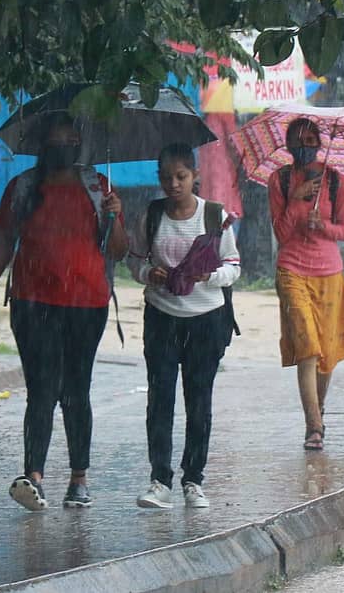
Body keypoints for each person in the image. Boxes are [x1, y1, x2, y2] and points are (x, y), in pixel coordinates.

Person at [0, 113, 128, 511]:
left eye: (70, 139)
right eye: (56, 140)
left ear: (79, 144)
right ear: (43, 145)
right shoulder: (23, 187)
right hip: (32, 302)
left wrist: (114, 214)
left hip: (87, 303)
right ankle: (33, 477)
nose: (63, 146)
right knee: (42, 390)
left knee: (76, 391)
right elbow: (2, 247)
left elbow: (118, 249)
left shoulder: (98, 188)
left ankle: (79, 479)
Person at [128, 143, 240, 509]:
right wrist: (150, 273)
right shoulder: (152, 215)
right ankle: (160, 480)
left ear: (195, 177)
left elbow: (234, 266)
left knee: (199, 400)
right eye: (166, 177)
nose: (173, 184)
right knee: (160, 400)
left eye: (181, 176)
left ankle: (194, 479)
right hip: (161, 317)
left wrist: (210, 276)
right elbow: (134, 262)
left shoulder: (214, 216)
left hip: (206, 320)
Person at [268, 117, 344, 451]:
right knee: (307, 349)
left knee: (326, 354)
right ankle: (314, 427)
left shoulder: (337, 181)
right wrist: (295, 202)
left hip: (328, 274)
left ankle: (318, 411)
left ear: (320, 144)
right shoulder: (278, 180)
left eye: (310, 141)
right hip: (291, 271)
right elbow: (280, 234)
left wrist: (322, 225)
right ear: (288, 145)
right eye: (297, 141)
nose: (304, 148)